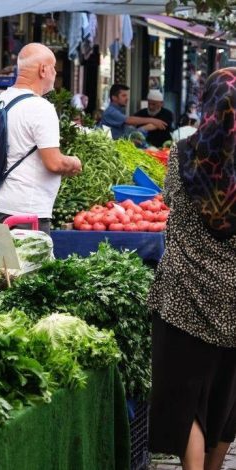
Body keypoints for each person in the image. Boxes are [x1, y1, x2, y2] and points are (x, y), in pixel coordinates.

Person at [147, 67, 236, 470]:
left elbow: (169, 200)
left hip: (184, 294)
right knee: (226, 399)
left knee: (186, 405)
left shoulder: (184, 153)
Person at [0, 43, 82, 234]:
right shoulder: (40, 107)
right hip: (25, 214)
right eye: (53, 68)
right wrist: (73, 162)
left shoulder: (2, 98)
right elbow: (54, 163)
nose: (55, 74)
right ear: (43, 70)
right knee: (31, 265)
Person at [99, 84, 168, 140]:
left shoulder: (119, 111)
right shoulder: (111, 111)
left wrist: (143, 129)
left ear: (161, 103)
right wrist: (153, 121)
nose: (127, 98)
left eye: (127, 95)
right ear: (114, 97)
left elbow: (127, 132)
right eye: (123, 96)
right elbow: (129, 120)